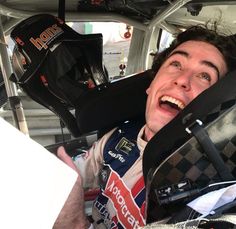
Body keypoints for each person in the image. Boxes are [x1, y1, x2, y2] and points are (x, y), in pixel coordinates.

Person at [53, 25, 236, 229]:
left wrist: (73, 224)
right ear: (151, 85)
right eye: (176, 64)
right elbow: (71, 176)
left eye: (204, 76)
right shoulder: (119, 136)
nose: (182, 80)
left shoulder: (205, 192)